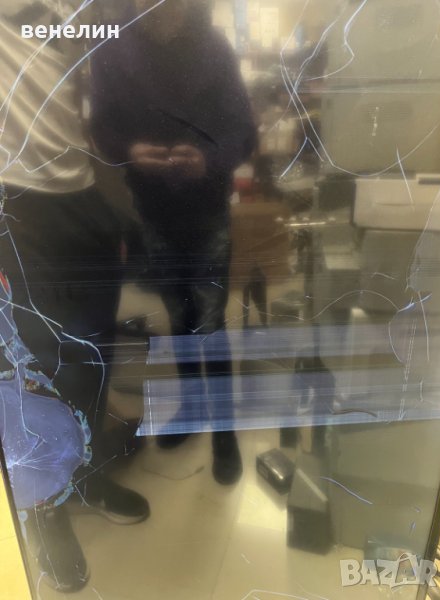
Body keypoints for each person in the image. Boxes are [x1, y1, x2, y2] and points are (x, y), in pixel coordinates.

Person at [0, 1, 149, 592]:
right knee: (37, 368)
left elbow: (71, 101)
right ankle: (46, 510)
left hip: (83, 198)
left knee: (92, 357)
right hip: (17, 204)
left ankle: (83, 474)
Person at [91, 0, 257, 484]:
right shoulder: (113, 49)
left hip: (206, 207)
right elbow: (103, 126)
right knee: (179, 319)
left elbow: (242, 132)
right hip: (153, 209)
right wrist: (129, 151)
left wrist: (207, 158)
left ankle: (223, 431)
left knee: (210, 322)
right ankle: (192, 408)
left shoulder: (214, 48)